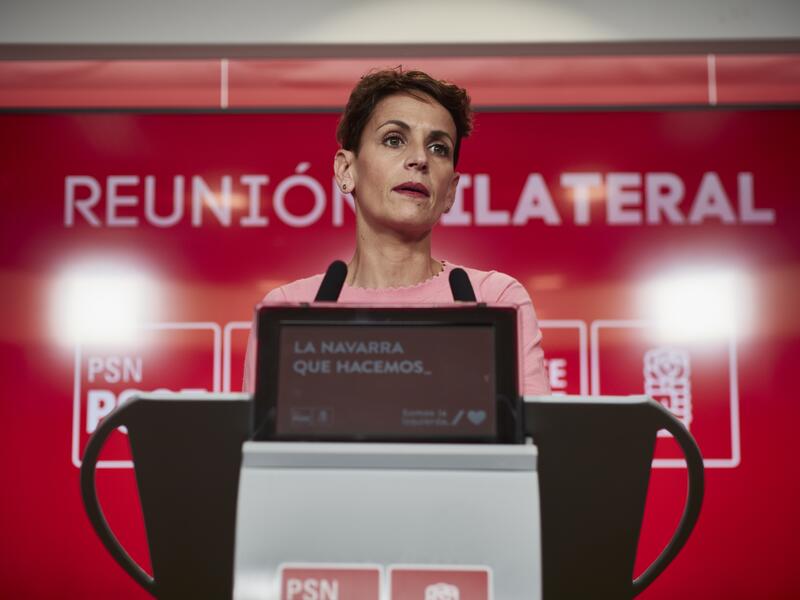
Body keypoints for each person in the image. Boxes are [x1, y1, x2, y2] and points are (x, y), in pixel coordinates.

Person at [244, 68, 550, 395]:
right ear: (346, 170)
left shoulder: (496, 299)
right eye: (394, 140)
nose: (419, 159)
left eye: (438, 148)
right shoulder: (287, 309)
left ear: (450, 191)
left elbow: (533, 427)